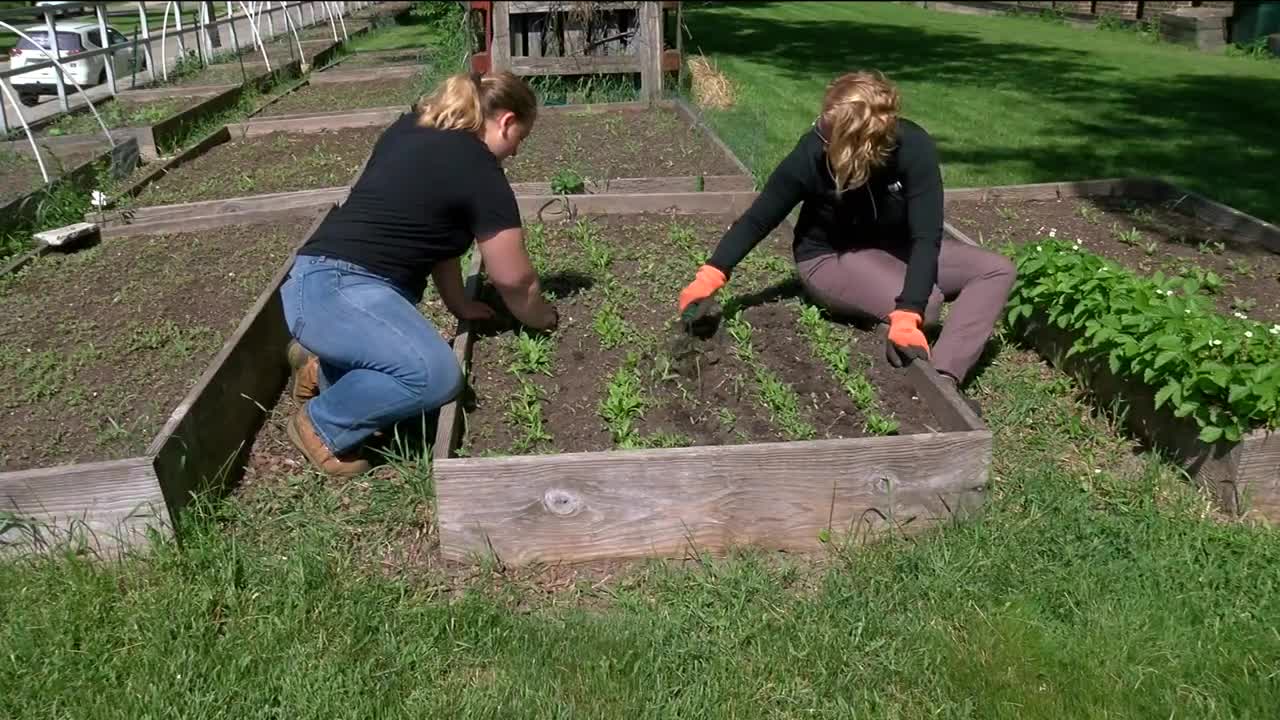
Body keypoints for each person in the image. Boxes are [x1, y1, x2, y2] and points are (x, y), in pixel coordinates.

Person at [279, 70, 558, 477]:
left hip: (316, 281)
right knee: (435, 375)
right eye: (520, 140)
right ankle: (321, 424)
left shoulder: (412, 128)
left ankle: (323, 367)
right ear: (507, 122)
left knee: (413, 364)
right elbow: (515, 280)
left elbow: (435, 238)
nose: (515, 152)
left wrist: (459, 303)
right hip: (341, 292)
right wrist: (545, 318)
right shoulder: (480, 170)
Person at [677, 70, 1015, 393]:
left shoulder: (914, 149)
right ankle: (897, 320)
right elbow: (759, 218)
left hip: (896, 246)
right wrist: (710, 275)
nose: (817, 131)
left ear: (858, 143)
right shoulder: (811, 154)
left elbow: (926, 237)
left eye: (826, 130)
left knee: (995, 270)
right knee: (929, 302)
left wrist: (907, 311)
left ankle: (943, 377)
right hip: (831, 256)